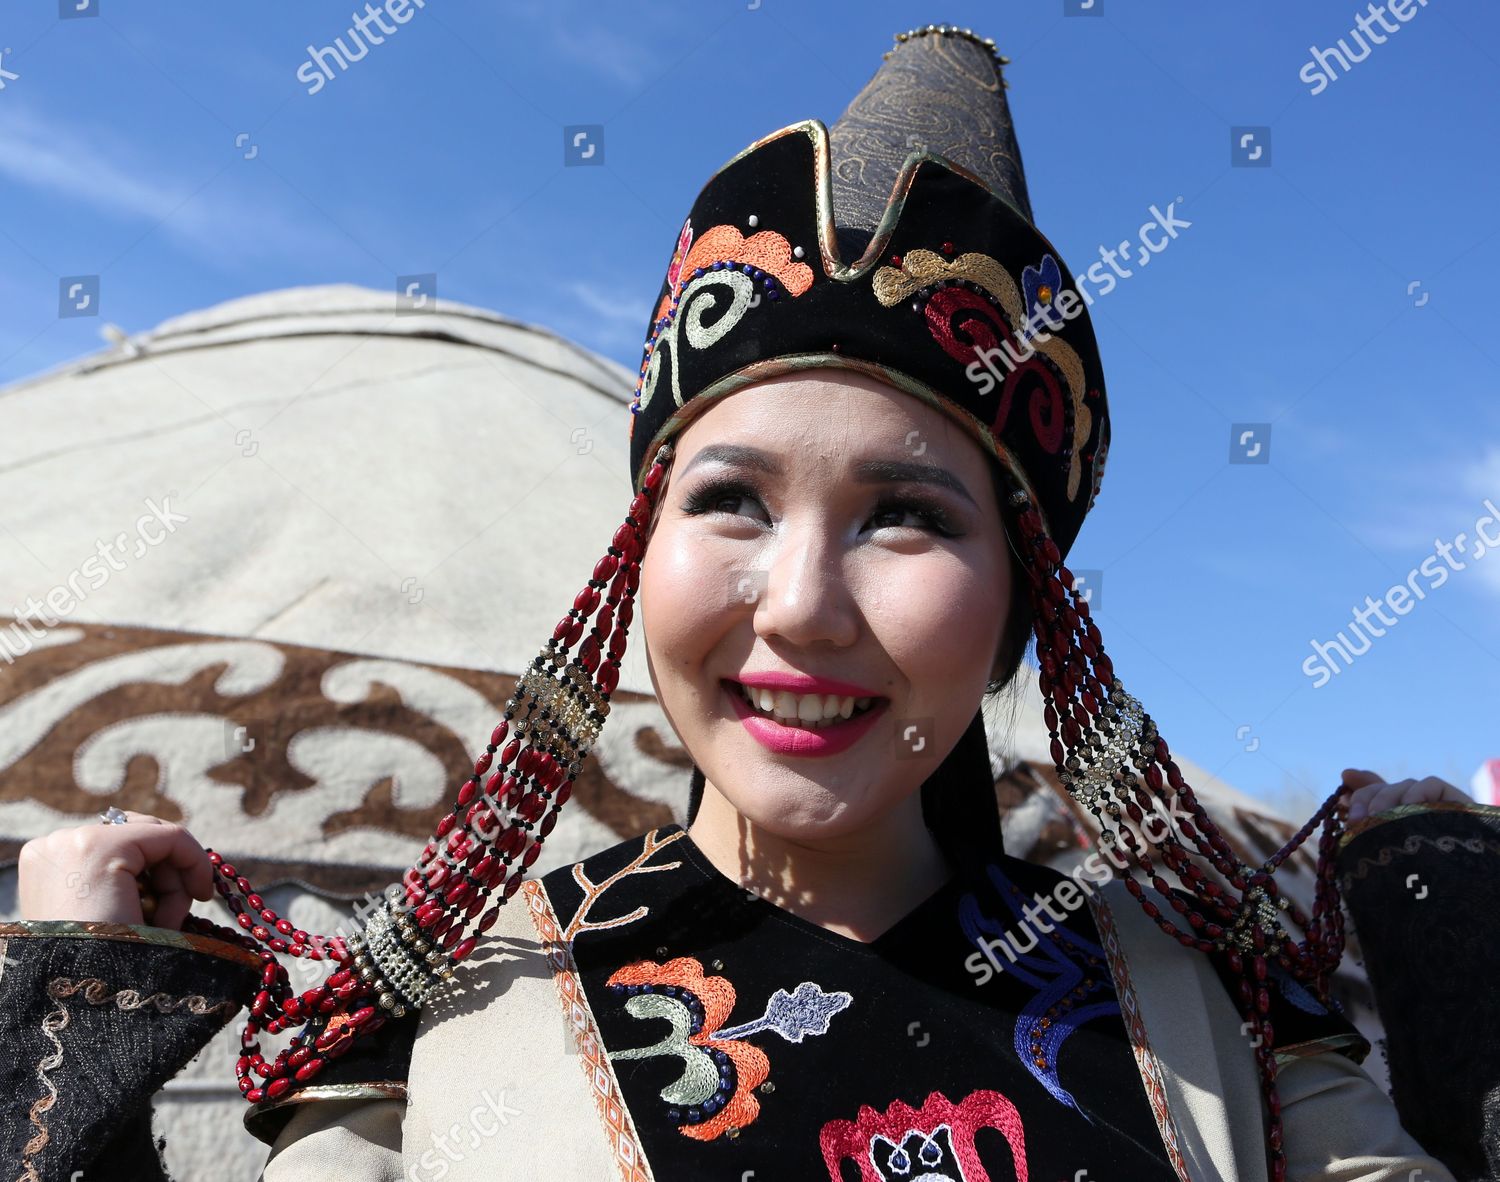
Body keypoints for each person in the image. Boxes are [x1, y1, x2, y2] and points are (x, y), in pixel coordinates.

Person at [5, 22, 1490, 1182]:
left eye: (907, 515)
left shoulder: (1217, 1021)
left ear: (1028, 604)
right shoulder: (443, 1023)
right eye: (730, 498)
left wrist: (1454, 945)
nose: (798, 606)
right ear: (634, 554)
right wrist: (80, 1007)